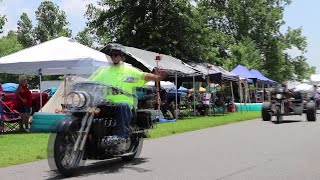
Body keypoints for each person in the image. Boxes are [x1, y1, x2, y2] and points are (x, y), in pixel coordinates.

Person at [89, 43, 168, 144]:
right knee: (86, 109)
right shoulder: (102, 70)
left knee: (123, 105)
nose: (113, 57)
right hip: (105, 103)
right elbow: (90, 82)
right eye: (111, 54)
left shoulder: (129, 70)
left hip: (123, 104)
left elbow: (142, 76)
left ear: (122, 57)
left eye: (116, 54)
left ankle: (121, 135)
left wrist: (157, 77)